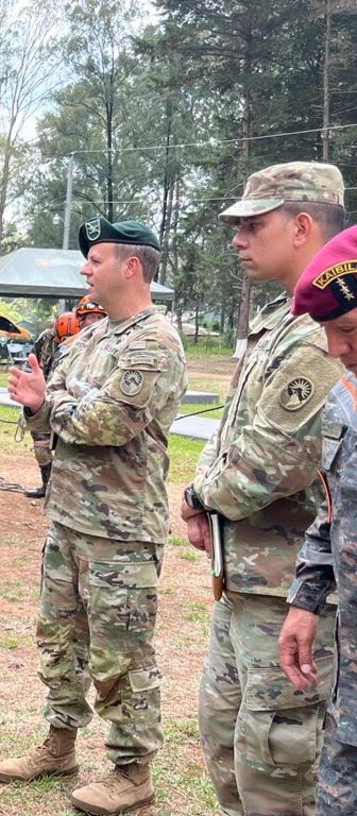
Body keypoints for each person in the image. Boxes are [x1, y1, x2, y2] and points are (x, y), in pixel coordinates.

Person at [0, 217, 186, 815]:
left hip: (122, 529)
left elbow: (109, 423)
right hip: (70, 517)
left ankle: (132, 773)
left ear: (131, 266)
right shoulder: (91, 338)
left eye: (95, 258)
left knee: (121, 652)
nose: (84, 268)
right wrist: (50, 406)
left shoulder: (154, 341)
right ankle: (60, 744)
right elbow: (49, 407)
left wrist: (52, 405)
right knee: (59, 639)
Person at [181, 162, 346, 816]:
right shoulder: (283, 319)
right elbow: (233, 436)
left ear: (302, 225)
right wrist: (205, 496)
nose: (237, 239)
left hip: (296, 593)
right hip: (248, 582)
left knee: (281, 768)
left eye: (253, 225)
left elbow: (268, 463)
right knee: (230, 743)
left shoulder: (321, 333)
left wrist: (199, 497)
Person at [280, 224, 357, 816]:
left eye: (348, 330)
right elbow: (335, 509)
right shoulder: (346, 398)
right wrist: (306, 599)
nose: (335, 350)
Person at [23, 312, 80, 499]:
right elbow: (31, 362)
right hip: (44, 398)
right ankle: (46, 485)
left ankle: (67, 490)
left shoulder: (84, 343)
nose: (65, 342)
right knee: (41, 446)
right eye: (62, 338)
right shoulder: (45, 339)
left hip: (69, 401)